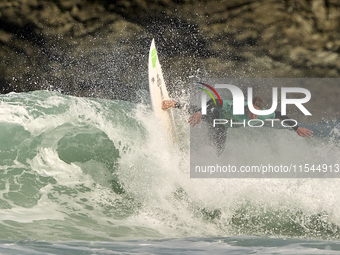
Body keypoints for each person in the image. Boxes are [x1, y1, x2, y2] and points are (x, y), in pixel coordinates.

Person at [162, 97, 313, 155]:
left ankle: (187, 156)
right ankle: (175, 103)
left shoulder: (265, 114)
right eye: (252, 112)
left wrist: (296, 128)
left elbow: (280, 115)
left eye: (257, 114)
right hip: (217, 114)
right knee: (200, 112)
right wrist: (200, 112)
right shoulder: (238, 106)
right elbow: (216, 101)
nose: (254, 116)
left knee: (218, 151)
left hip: (222, 125)